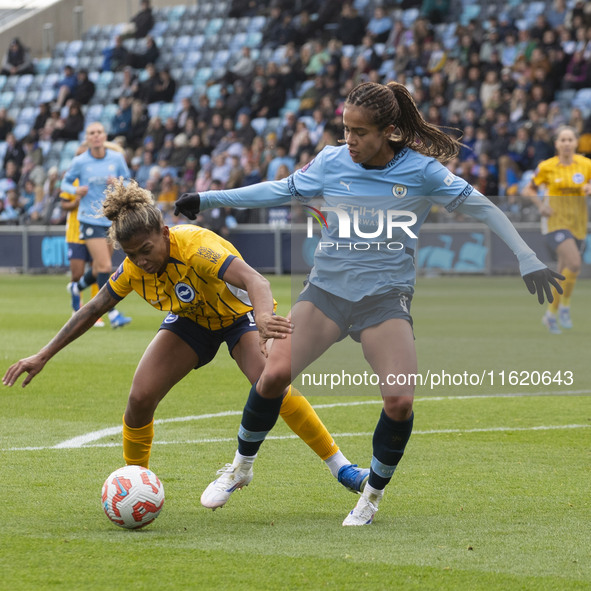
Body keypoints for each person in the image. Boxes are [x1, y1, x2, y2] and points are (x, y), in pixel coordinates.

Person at [174, 81, 564, 526]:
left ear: (390, 132)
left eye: (360, 132)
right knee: (274, 373)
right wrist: (207, 199)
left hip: (384, 302)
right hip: (326, 295)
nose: (350, 141)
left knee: (399, 400)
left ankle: (371, 496)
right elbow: (278, 190)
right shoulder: (331, 160)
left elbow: (486, 209)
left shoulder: (423, 172)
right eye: (345, 129)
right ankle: (240, 468)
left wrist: (527, 256)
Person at [2, 178, 369, 499]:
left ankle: (341, 468)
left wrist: (262, 319)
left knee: (270, 384)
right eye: (132, 255)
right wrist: (44, 354)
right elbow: (94, 308)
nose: (141, 261)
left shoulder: (194, 245)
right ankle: (136, 482)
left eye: (146, 250)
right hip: (192, 321)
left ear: (163, 233)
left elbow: (256, 281)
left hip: (240, 317)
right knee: (140, 397)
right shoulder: (132, 268)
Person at [61, 122, 131, 328]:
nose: (96, 136)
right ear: (88, 138)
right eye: (92, 133)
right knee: (105, 266)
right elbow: (64, 183)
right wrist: (75, 191)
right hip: (88, 218)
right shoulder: (80, 161)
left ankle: (77, 287)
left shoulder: (116, 158)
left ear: (105, 135)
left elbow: (128, 181)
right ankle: (112, 312)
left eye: (99, 132)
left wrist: (118, 183)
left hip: (109, 218)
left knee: (99, 268)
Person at [522, 125, 591, 334]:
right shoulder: (547, 167)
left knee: (564, 272)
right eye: (563, 140)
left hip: (578, 223)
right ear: (556, 144)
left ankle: (550, 315)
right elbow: (528, 189)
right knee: (575, 263)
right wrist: (541, 206)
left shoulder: (586, 165)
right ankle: (565, 307)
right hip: (554, 223)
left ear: (576, 143)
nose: (567, 143)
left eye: (570, 139)